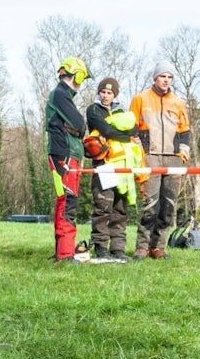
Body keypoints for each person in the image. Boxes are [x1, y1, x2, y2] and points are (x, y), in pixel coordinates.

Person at [129, 62, 191, 259]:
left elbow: (185, 131)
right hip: (150, 158)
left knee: (169, 205)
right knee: (150, 204)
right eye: (162, 76)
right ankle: (142, 247)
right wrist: (140, 151)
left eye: (169, 77)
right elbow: (131, 127)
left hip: (173, 160)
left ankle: (158, 247)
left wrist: (182, 153)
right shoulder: (140, 98)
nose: (166, 80)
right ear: (155, 78)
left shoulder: (178, 102)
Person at [85, 77, 142, 261]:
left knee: (120, 208)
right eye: (103, 92)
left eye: (109, 93)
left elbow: (134, 129)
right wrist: (124, 135)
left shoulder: (121, 111)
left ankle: (118, 248)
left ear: (115, 94)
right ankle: (101, 246)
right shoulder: (93, 110)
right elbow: (105, 130)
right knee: (103, 206)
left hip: (122, 165)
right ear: (99, 93)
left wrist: (125, 133)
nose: (105, 96)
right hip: (104, 165)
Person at [45, 57, 91, 261]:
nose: (82, 83)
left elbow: (77, 127)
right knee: (68, 201)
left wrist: (75, 130)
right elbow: (80, 124)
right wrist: (77, 130)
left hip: (65, 154)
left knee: (64, 200)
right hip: (64, 155)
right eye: (82, 78)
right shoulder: (60, 94)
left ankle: (61, 251)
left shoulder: (64, 96)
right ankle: (64, 253)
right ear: (76, 75)